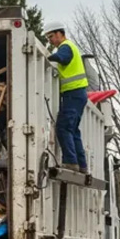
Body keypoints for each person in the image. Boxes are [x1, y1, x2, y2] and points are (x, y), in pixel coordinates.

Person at [42, 20, 89, 173]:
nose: (50, 41)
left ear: (59, 33)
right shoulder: (70, 47)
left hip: (73, 94)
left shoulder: (66, 47)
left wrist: (46, 57)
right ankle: (81, 165)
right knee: (73, 130)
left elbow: (62, 58)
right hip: (77, 94)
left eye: (50, 37)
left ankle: (70, 162)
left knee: (63, 127)